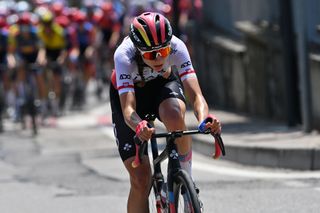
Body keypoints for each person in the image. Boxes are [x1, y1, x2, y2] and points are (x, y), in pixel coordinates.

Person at [110, 12, 222, 212]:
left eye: (164, 51)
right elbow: (128, 109)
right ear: (138, 50)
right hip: (131, 97)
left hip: (162, 87)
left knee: (174, 115)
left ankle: (188, 190)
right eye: (152, 55)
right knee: (140, 180)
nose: (159, 58)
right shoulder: (123, 55)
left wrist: (205, 119)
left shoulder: (178, 46)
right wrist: (139, 125)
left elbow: (196, 95)